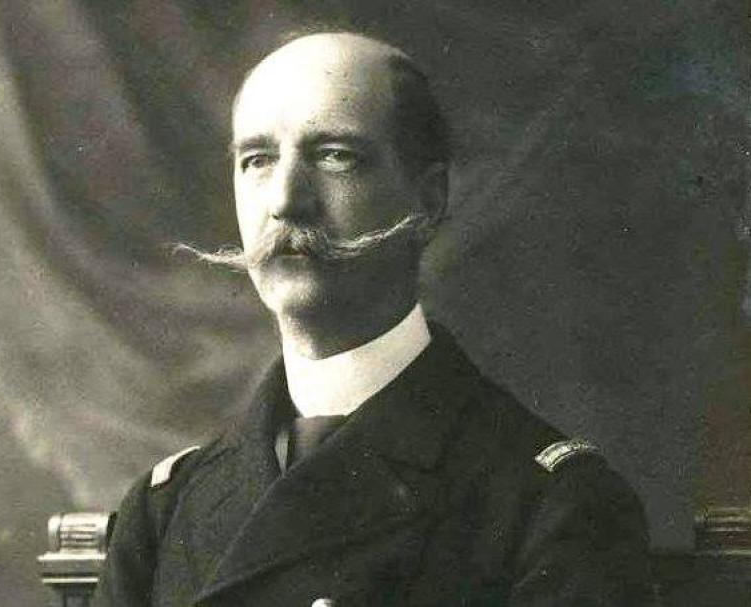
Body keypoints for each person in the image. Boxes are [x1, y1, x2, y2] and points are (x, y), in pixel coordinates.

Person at [93, 31, 653, 606]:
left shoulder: (551, 505)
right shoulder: (161, 514)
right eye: (257, 160)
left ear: (428, 201)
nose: (285, 200)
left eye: (335, 156)